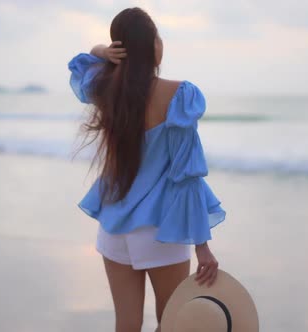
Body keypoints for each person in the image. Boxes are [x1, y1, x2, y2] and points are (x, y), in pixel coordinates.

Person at [68, 7, 226, 332]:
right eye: (158, 37)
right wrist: (202, 246)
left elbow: (81, 64)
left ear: (120, 51)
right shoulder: (179, 95)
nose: (161, 43)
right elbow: (187, 174)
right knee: (171, 323)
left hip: (113, 228)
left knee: (126, 325)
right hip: (160, 231)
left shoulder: (106, 89)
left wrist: (102, 51)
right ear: (151, 46)